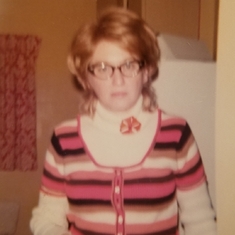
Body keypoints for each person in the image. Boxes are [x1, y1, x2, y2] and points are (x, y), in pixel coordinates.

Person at [30, 7, 217, 235]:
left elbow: (201, 221)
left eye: (129, 65)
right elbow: (47, 218)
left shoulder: (176, 134)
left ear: (146, 70)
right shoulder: (64, 139)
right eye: (102, 67)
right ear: (85, 78)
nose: (117, 80)